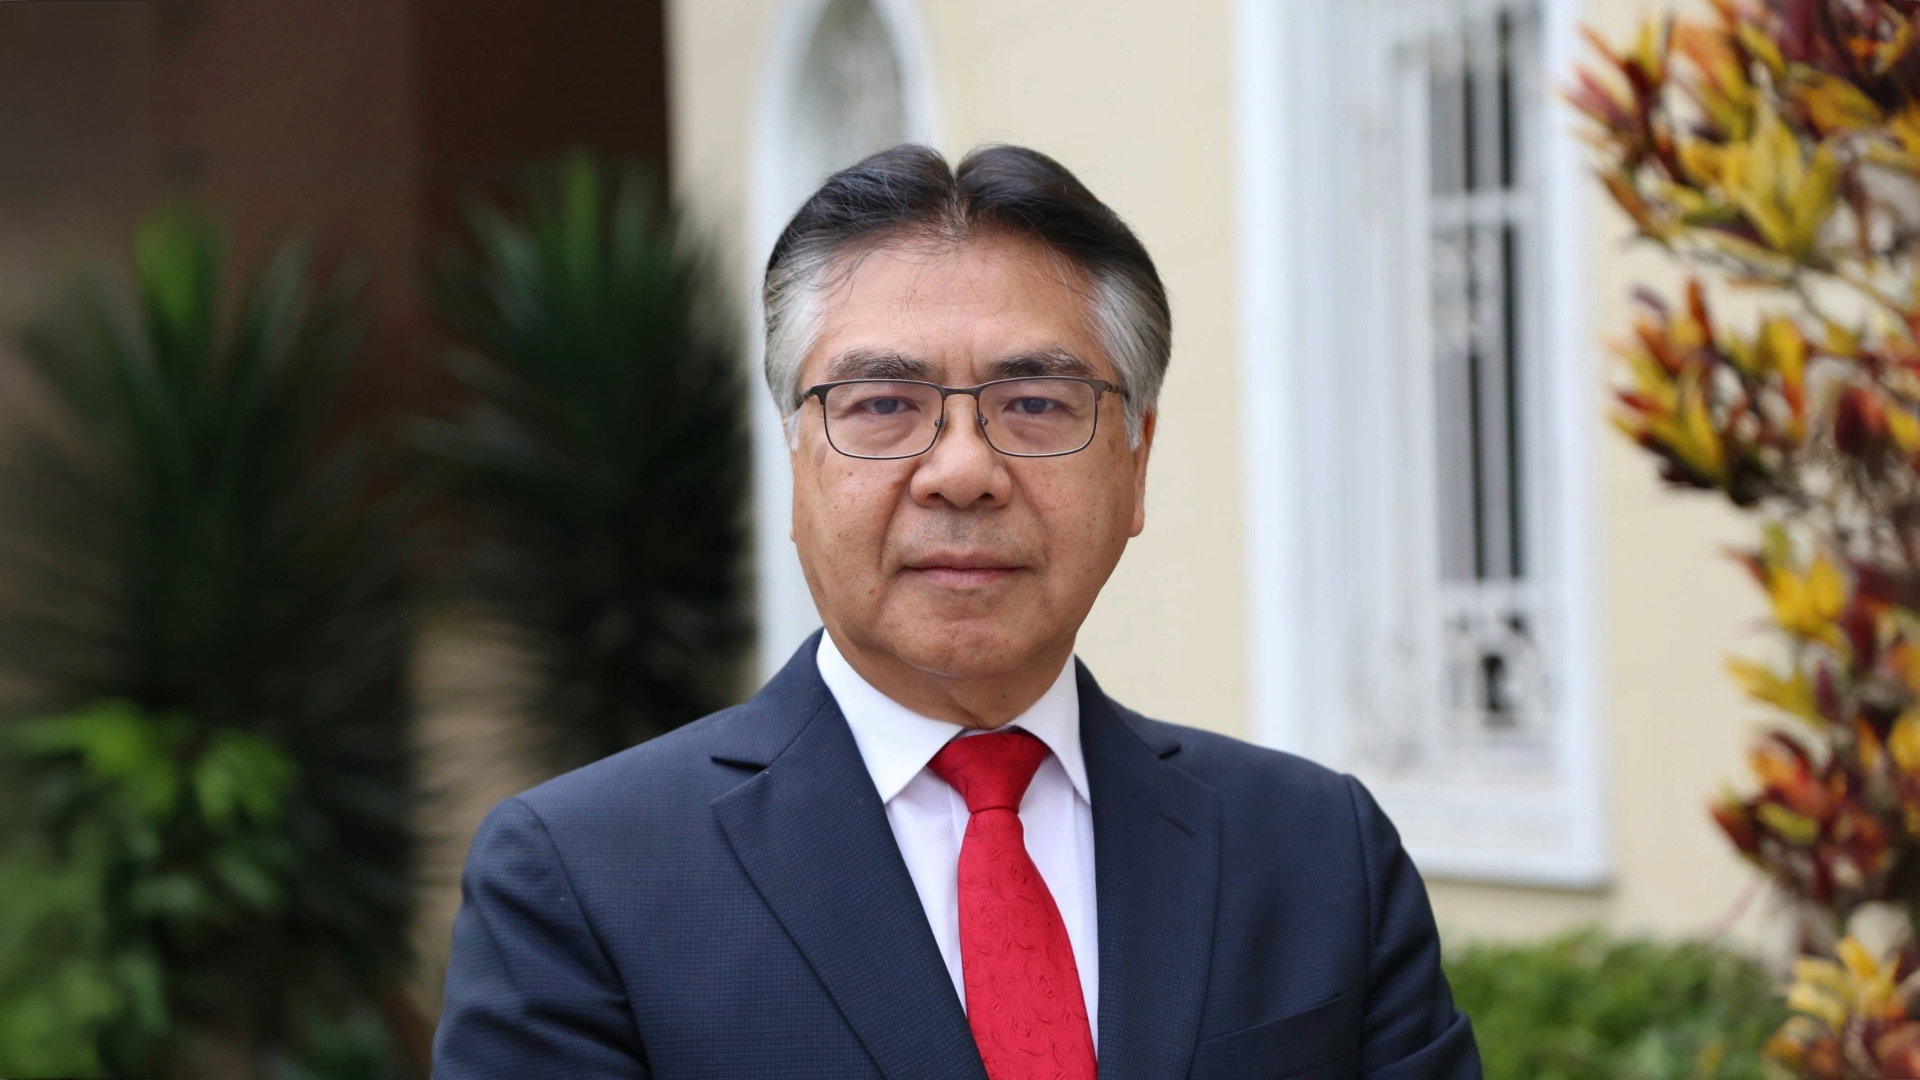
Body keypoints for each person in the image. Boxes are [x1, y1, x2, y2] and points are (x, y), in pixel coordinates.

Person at [431, 144, 1482, 1080]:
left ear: (1137, 463)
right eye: (883, 405)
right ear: (797, 464)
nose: (964, 471)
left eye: (1036, 404)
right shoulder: (583, 878)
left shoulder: (1314, 852)